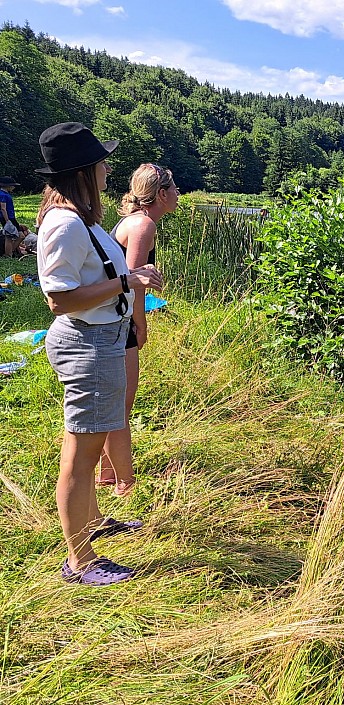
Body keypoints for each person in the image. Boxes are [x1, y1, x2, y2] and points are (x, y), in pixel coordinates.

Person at [36, 122, 164, 586]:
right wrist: (129, 282)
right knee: (81, 452)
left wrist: (130, 284)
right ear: (84, 171)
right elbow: (60, 298)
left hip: (102, 340)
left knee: (89, 444)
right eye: (102, 161)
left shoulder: (81, 218)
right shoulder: (66, 223)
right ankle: (80, 562)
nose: (109, 168)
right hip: (86, 345)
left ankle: (93, 525)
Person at [97, 163, 179, 496]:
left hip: (115, 316)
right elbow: (133, 280)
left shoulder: (134, 220)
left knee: (116, 404)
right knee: (121, 405)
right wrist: (140, 323)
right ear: (160, 194)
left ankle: (107, 474)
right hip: (121, 320)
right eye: (174, 188)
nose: (178, 194)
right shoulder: (144, 224)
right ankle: (123, 484)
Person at [0, 176, 28, 256]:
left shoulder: (5, 194)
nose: (14, 187)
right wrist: (7, 220)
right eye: (12, 185)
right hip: (8, 218)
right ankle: (8, 254)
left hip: (11, 217)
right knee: (9, 237)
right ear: (8, 186)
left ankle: (10, 252)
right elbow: (3, 208)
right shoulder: (2, 195)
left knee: (20, 236)